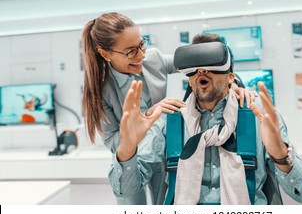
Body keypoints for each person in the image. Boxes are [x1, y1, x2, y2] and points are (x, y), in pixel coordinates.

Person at [110, 33, 302, 205]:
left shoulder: (258, 116)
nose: (202, 72)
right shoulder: (169, 120)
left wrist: (280, 155)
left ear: (231, 77)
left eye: (211, 65)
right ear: (188, 77)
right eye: (195, 67)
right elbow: (124, 190)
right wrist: (127, 149)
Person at [82, 12, 256, 204]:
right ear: (106, 54)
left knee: (164, 203)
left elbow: (200, 63)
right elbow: (113, 142)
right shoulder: (100, 91)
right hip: (131, 155)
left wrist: (233, 84)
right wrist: (145, 119)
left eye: (141, 44)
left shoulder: (152, 58)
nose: (140, 55)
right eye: (130, 51)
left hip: (161, 150)